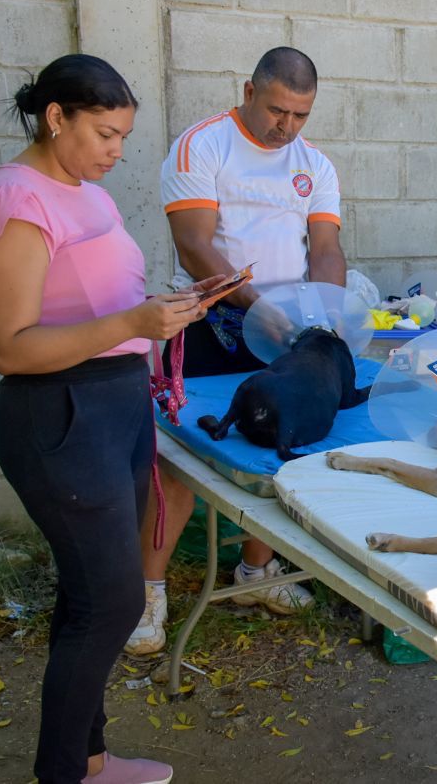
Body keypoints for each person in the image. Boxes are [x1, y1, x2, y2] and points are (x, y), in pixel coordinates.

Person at [0, 55, 213, 782]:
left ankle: (89, 760)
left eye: (124, 135)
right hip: (60, 413)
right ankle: (63, 774)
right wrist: (132, 321)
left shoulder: (86, 191)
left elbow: (102, 308)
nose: (118, 151)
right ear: (57, 118)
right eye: (107, 134)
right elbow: (9, 348)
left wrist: (162, 320)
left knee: (94, 597)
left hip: (114, 404)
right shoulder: (17, 198)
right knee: (112, 601)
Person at [126, 47, 347, 656]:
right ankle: (145, 597)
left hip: (286, 331)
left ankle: (255, 574)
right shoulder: (203, 146)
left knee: (280, 446)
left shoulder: (314, 164)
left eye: (301, 115)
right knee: (181, 465)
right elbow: (196, 246)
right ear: (249, 89)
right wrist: (260, 310)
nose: (288, 126)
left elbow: (324, 247)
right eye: (278, 110)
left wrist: (329, 312)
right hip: (208, 324)